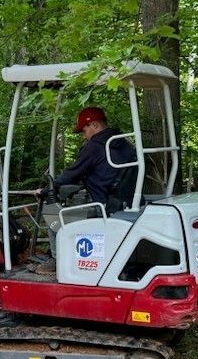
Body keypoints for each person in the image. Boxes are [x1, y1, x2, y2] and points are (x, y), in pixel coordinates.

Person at [35, 107, 137, 270]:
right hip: (126, 202)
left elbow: (72, 174)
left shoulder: (95, 146)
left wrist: (47, 190)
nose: (84, 136)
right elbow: (104, 173)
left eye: (84, 131)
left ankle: (56, 262)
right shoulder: (124, 143)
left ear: (94, 125)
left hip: (103, 206)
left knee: (52, 215)